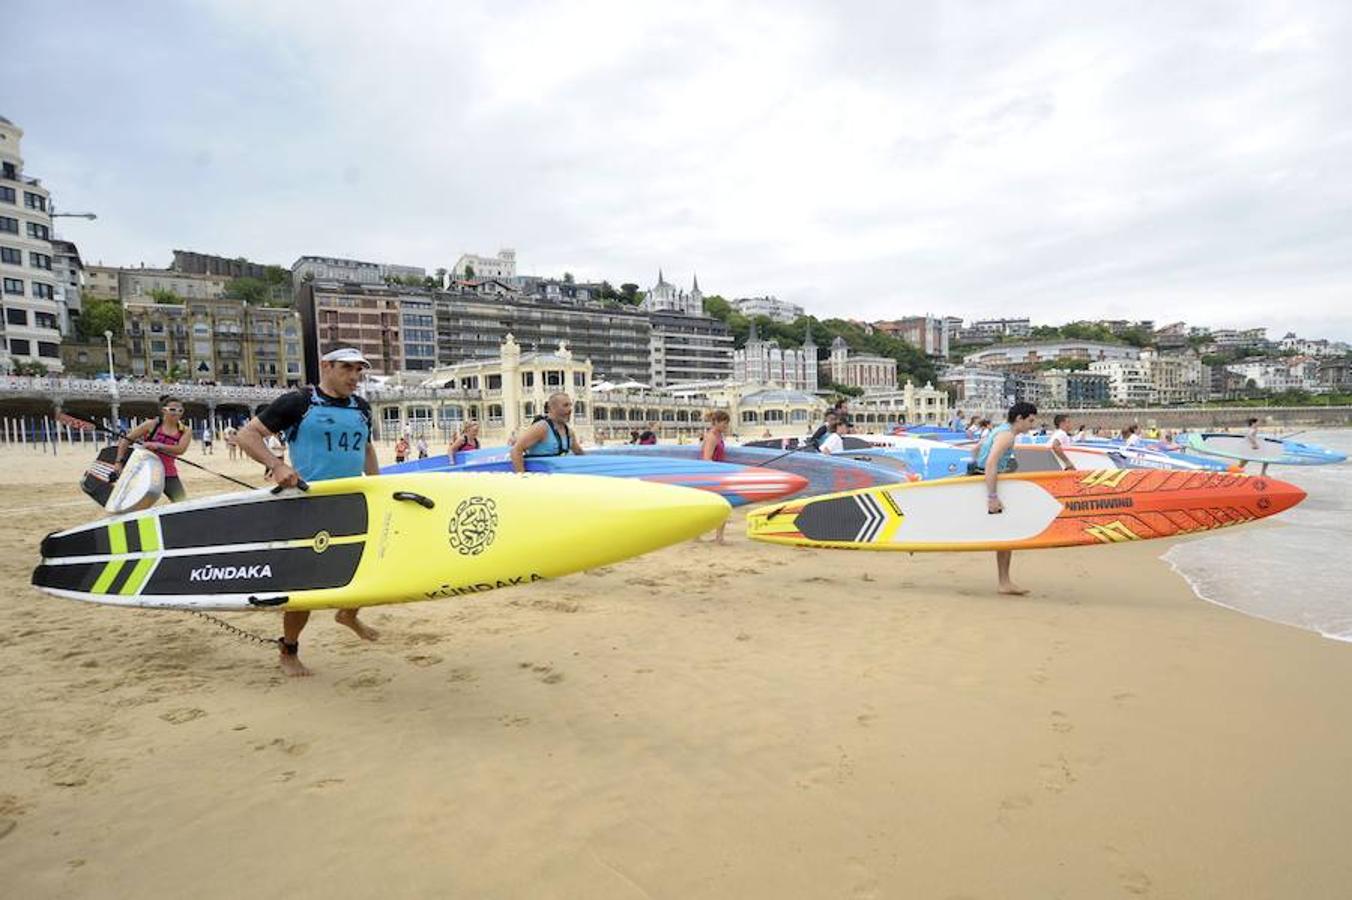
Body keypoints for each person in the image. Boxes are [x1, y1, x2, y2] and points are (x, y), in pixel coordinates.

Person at [235, 347, 380, 677]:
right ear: (326, 366)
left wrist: (378, 487)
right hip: (308, 505)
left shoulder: (362, 407)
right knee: (307, 588)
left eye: (359, 370)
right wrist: (276, 465)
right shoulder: (298, 402)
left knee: (372, 565)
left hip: (353, 501)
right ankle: (289, 650)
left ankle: (348, 613)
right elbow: (247, 435)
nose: (355, 377)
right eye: (347, 368)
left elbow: (366, 448)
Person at [972, 401, 1039, 596]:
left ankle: (1005, 581)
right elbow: (991, 463)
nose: (1032, 426)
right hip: (987, 485)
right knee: (1005, 533)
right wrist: (992, 496)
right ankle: (1004, 582)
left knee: (1005, 534)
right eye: (1031, 421)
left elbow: (976, 449)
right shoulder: (1008, 436)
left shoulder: (1000, 429)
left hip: (979, 479)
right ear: (1019, 418)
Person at [114, 394, 192, 502]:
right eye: (172, 409)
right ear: (164, 410)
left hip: (168, 473)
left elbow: (180, 450)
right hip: (144, 471)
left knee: (181, 502)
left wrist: (158, 445)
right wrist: (119, 461)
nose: (177, 413)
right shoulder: (151, 425)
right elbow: (126, 439)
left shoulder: (185, 430)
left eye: (180, 410)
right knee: (133, 502)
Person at [511, 393, 585, 472]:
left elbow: (579, 453)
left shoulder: (569, 432)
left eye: (570, 405)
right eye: (565, 405)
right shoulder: (541, 428)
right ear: (552, 408)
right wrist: (522, 477)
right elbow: (516, 450)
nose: (570, 409)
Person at [700, 410, 731, 544]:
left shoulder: (719, 436)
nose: (726, 427)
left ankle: (719, 537)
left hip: (718, 474)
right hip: (711, 475)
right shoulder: (712, 436)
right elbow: (707, 459)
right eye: (724, 424)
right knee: (718, 506)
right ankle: (699, 535)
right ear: (717, 422)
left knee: (723, 505)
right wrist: (721, 470)